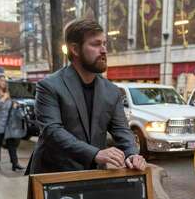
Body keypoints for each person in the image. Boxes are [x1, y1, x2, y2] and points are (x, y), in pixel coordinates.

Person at [26, 19, 145, 174]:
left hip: (92, 177)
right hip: (53, 176)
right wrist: (95, 153)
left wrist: (132, 154)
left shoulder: (112, 91)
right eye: (96, 44)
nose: (103, 50)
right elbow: (52, 132)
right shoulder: (49, 86)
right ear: (75, 49)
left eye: (104, 44)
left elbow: (122, 130)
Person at [0, 75, 23, 171]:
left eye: (4, 81)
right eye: (1, 80)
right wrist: (4, 98)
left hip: (8, 122)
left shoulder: (6, 92)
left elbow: (9, 104)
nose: (3, 82)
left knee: (11, 143)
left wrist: (14, 104)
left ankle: (15, 163)